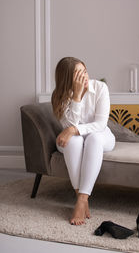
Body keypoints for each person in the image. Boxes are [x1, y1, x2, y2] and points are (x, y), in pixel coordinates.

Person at [51, 57, 116, 226]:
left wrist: (74, 130)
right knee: (73, 142)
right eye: (78, 75)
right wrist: (77, 97)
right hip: (74, 139)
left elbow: (100, 124)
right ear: (67, 79)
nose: (84, 78)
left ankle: (81, 200)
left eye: (85, 72)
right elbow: (69, 125)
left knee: (93, 138)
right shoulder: (59, 96)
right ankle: (80, 195)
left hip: (101, 135)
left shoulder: (101, 88)